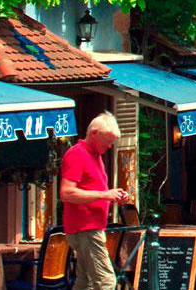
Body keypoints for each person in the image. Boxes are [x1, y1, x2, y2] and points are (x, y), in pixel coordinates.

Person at [61, 113, 133, 290]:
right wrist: (104, 195)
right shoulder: (77, 154)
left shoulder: (95, 156)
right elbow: (66, 192)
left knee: (85, 282)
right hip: (85, 227)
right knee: (106, 281)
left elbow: (96, 191)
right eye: (107, 141)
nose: (109, 146)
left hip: (91, 226)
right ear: (94, 133)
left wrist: (114, 196)